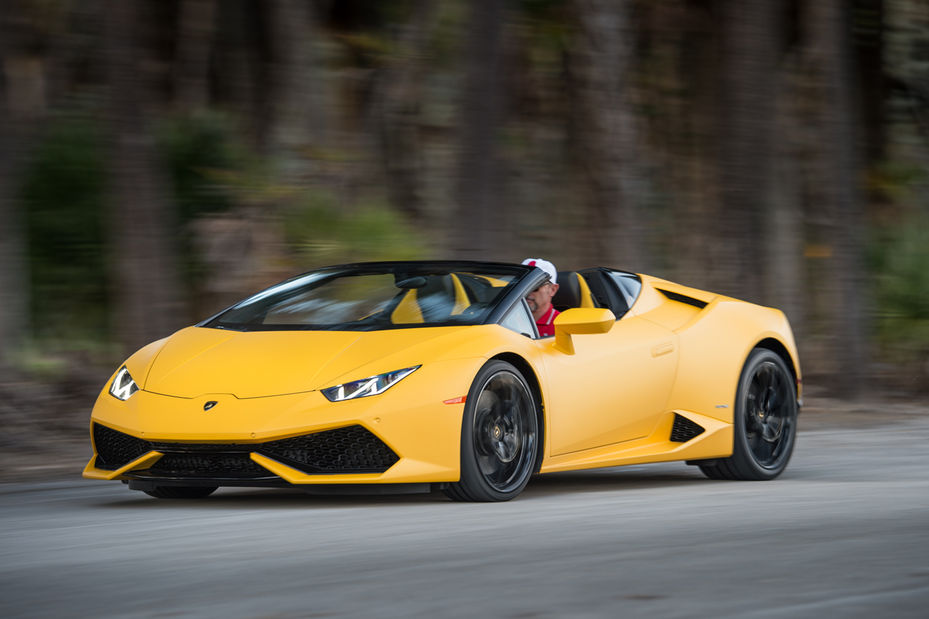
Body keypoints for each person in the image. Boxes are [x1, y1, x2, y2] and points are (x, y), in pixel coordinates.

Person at [521, 258, 560, 337]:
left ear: (552, 290)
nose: (527, 292)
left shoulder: (562, 326)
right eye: (522, 286)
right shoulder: (503, 320)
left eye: (535, 286)